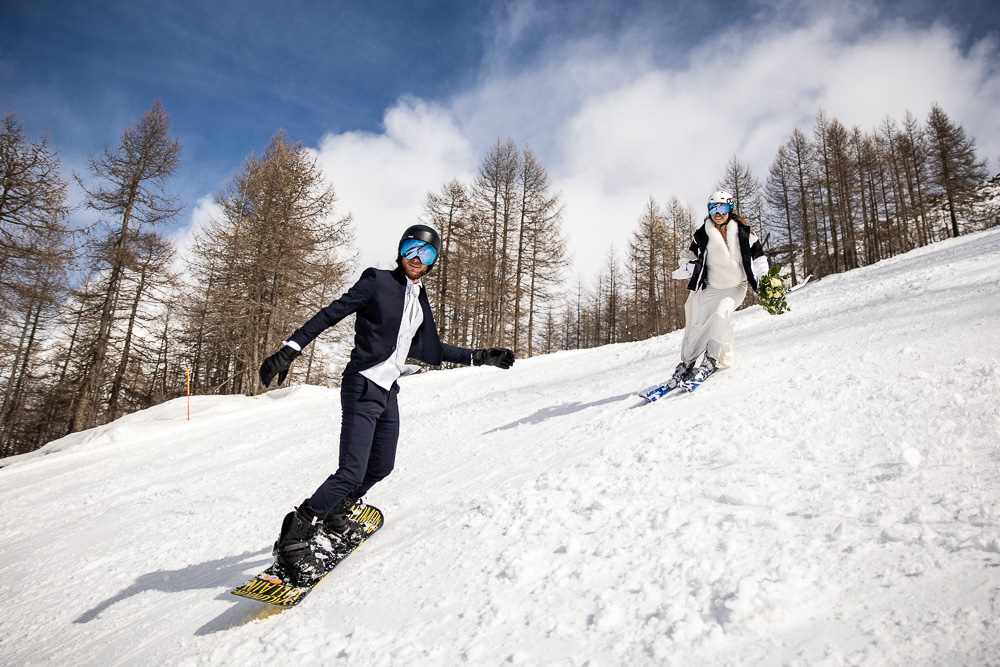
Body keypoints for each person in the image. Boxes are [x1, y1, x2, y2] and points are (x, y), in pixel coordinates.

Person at [258, 224, 515, 584]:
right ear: (400, 250)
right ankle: (293, 538)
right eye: (411, 249)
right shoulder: (377, 281)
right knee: (350, 471)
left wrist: (479, 356)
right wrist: (291, 349)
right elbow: (331, 313)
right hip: (362, 385)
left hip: (387, 391)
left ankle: (337, 512)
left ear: (432, 263)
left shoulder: (419, 298)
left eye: (426, 254)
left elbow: (431, 349)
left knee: (381, 465)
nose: (416, 258)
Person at [667, 190, 769, 388]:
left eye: (722, 207)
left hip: (734, 287)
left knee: (720, 316)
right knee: (698, 325)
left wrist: (763, 279)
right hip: (711, 287)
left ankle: (711, 358)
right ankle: (687, 363)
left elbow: (759, 258)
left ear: (730, 209)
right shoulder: (702, 235)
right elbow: (688, 258)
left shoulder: (744, 233)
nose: (718, 212)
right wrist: (690, 267)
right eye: (713, 208)